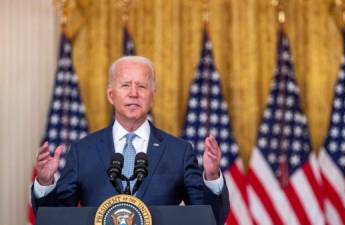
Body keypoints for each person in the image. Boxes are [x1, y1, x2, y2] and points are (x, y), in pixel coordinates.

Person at [32, 56, 229, 225]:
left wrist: (211, 178)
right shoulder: (83, 151)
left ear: (152, 97)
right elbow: (57, 218)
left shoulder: (179, 152)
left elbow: (210, 218)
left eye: (142, 86)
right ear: (111, 95)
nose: (133, 93)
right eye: (125, 85)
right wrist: (45, 183)